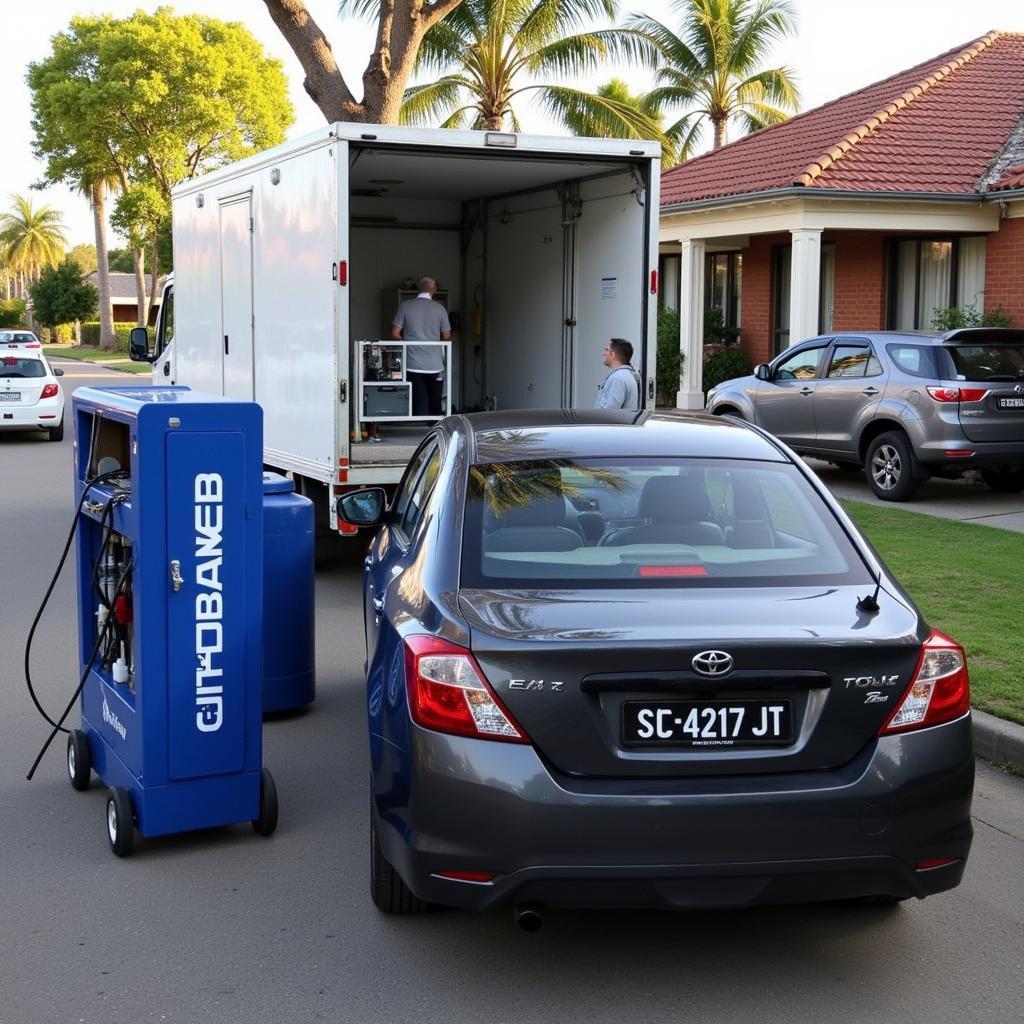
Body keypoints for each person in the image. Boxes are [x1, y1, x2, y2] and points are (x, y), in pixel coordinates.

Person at [391, 277, 452, 416]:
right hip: (435, 364)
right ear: (434, 289)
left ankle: (417, 432)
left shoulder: (405, 306)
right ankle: (434, 432)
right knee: (435, 404)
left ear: (418, 289)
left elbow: (395, 333)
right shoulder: (440, 308)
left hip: (411, 363)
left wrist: (406, 346)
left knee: (417, 403)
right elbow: (447, 336)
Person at [595, 338, 641, 410]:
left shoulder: (618, 378)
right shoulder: (627, 375)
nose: (604, 353)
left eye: (607, 350)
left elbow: (607, 414)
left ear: (612, 355)